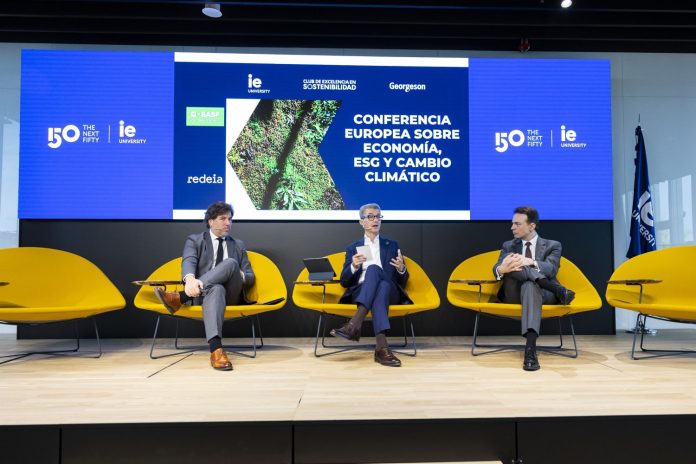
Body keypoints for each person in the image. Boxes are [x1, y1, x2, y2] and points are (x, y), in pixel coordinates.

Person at [153, 201, 255, 371]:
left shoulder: (238, 245)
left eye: (230, 219)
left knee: (230, 263)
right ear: (210, 221)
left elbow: (251, 277)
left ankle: (180, 298)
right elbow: (188, 262)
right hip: (203, 295)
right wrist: (191, 279)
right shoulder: (195, 240)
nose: (228, 223)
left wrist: (237, 273)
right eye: (223, 219)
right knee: (216, 288)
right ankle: (216, 350)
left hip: (232, 294)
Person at [493, 206, 575, 372]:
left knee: (530, 284)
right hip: (514, 293)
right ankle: (558, 289)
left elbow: (551, 269)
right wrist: (502, 269)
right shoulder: (509, 245)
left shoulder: (553, 245)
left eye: (517, 224)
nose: (512, 228)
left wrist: (529, 261)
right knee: (514, 267)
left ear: (531, 226)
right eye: (512, 224)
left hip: (543, 295)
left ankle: (530, 350)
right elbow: (496, 266)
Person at [330, 203, 412, 367]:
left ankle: (353, 325)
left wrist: (402, 269)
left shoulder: (392, 245)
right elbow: (345, 281)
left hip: (391, 291)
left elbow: (403, 280)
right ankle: (382, 348)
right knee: (379, 284)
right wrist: (353, 266)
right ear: (362, 222)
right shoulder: (353, 248)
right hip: (362, 290)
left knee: (378, 274)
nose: (375, 220)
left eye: (378, 216)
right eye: (370, 217)